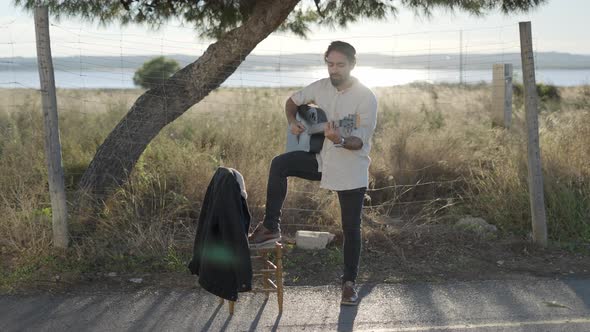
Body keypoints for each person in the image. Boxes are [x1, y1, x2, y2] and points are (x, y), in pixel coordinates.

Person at [248, 41, 378, 306]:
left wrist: (339, 138)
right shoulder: (319, 87)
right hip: (321, 160)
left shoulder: (366, 97)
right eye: (330, 63)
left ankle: (349, 285)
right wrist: (293, 122)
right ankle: (272, 227)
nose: (334, 69)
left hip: (351, 167)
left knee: (351, 228)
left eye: (340, 64)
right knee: (279, 164)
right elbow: (291, 102)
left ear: (352, 64)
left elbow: (360, 140)